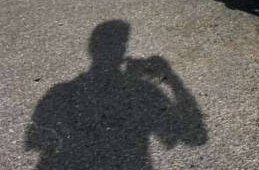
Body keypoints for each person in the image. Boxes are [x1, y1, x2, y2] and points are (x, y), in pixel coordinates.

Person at [25, 20, 207, 169]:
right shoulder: (146, 91)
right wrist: (172, 78)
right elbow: (194, 138)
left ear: (91, 49)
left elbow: (36, 143)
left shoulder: (58, 93)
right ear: (121, 51)